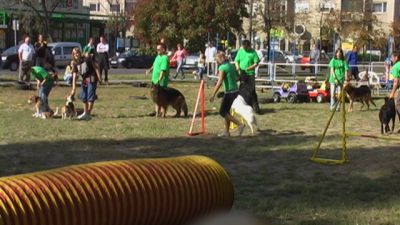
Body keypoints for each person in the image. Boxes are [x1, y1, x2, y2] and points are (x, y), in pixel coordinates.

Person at [210, 52, 245, 137]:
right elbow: (238, 78)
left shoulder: (222, 67)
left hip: (229, 93)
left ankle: (240, 124)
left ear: (220, 59)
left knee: (222, 112)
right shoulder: (230, 65)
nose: (216, 61)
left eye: (217, 59)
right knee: (227, 112)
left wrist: (213, 94)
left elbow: (219, 82)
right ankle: (226, 132)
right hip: (236, 91)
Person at [69, 48, 102, 120]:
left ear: (80, 53)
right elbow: (74, 77)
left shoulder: (86, 59)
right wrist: (73, 89)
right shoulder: (75, 64)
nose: (76, 55)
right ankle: (85, 112)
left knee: (90, 96)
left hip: (92, 77)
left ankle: (88, 113)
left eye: (77, 53)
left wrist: (99, 78)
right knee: (83, 96)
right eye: (74, 54)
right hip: (85, 80)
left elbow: (96, 67)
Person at [234, 39, 261, 114]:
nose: (245, 49)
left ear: (249, 46)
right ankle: (244, 107)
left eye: (246, 47)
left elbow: (256, 63)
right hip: (242, 73)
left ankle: (256, 108)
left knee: (252, 91)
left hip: (250, 74)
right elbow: (236, 60)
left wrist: (250, 68)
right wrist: (237, 67)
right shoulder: (240, 51)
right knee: (242, 90)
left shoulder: (253, 52)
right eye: (244, 47)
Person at [146, 43, 170, 115]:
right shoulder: (157, 57)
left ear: (163, 49)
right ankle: (157, 112)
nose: (157, 51)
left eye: (159, 49)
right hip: (154, 80)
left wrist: (159, 80)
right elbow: (154, 64)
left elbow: (163, 70)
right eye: (157, 49)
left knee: (162, 98)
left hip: (161, 82)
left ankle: (162, 112)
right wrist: (149, 69)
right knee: (155, 97)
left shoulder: (164, 58)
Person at [389, 51, 400, 118]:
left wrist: (392, 93)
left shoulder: (395, 66)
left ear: (396, 57)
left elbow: (396, 81)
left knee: (398, 104)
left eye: (392, 57)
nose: (391, 59)